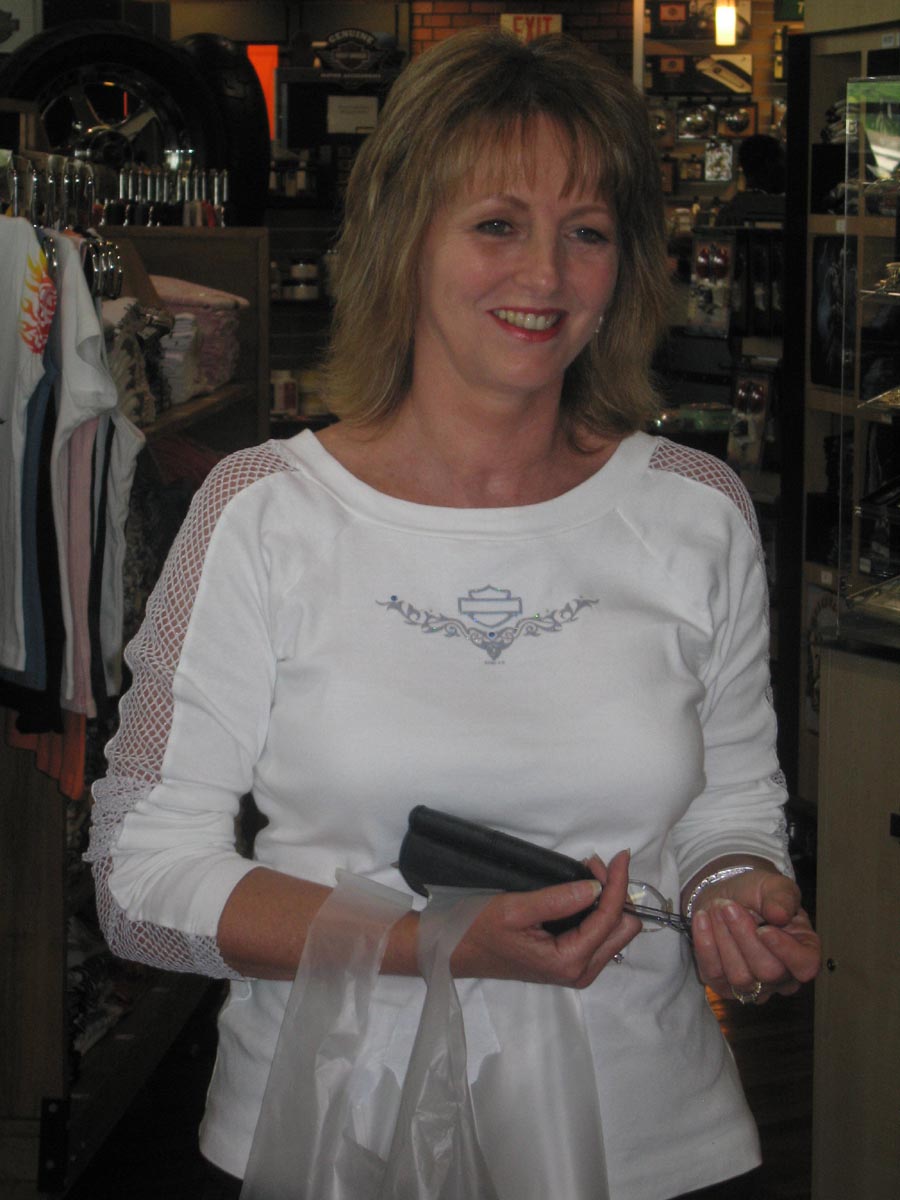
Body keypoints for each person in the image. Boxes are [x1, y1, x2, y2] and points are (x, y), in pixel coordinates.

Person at [87, 28, 820, 1200]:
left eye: (588, 233)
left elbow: (731, 804)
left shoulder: (695, 511)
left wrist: (736, 889)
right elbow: (139, 881)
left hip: (645, 1137)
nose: (546, 275)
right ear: (405, 242)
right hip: (334, 1133)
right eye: (496, 224)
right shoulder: (265, 514)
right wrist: (428, 944)